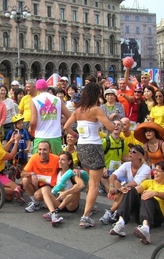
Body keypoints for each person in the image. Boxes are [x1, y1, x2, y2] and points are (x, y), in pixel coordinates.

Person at [64, 82, 115, 228]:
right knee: (94, 184)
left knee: (90, 181)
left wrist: (76, 135)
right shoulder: (96, 109)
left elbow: (66, 127)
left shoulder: (78, 110)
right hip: (94, 146)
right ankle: (85, 216)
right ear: (96, 94)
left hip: (82, 147)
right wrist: (114, 122)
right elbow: (110, 127)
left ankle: (89, 208)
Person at [109, 161, 164, 244]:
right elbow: (136, 190)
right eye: (155, 170)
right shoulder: (148, 182)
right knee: (131, 189)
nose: (155, 172)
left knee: (148, 196)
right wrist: (125, 189)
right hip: (140, 215)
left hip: (156, 218)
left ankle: (146, 229)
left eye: (158, 171)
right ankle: (120, 223)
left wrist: (155, 193)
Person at [99, 144, 151, 225]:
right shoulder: (126, 165)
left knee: (128, 189)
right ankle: (117, 211)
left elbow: (134, 184)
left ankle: (111, 210)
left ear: (140, 156)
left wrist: (118, 190)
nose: (130, 153)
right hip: (129, 193)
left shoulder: (146, 168)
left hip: (141, 198)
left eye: (134, 152)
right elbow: (113, 176)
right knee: (116, 182)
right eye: (129, 151)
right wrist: (111, 187)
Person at [41, 151, 89, 226]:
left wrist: (66, 193)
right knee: (44, 189)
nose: (60, 161)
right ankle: (53, 213)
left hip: (70, 204)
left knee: (76, 187)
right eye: (59, 159)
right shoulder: (58, 171)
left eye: (63, 160)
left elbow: (81, 185)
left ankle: (56, 211)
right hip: (58, 201)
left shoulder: (72, 173)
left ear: (69, 161)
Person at [29, 79, 70, 155]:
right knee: (57, 162)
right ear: (47, 88)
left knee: (39, 163)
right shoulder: (57, 99)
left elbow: (33, 121)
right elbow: (69, 116)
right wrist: (58, 122)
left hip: (40, 136)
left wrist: (31, 129)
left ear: (36, 88)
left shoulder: (34, 100)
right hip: (55, 136)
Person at [19, 141, 59, 213]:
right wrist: (32, 174)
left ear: (50, 150)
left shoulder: (56, 159)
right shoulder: (34, 157)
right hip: (37, 183)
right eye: (40, 149)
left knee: (37, 195)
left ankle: (47, 199)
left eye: (44, 149)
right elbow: (22, 173)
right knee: (25, 180)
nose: (41, 152)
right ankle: (35, 203)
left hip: (50, 185)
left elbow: (67, 166)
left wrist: (75, 169)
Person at [100, 120, 129, 192]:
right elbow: (97, 157)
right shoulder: (105, 141)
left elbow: (123, 157)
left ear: (122, 128)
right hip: (105, 172)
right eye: (114, 124)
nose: (116, 126)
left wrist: (135, 160)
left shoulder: (123, 142)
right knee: (113, 191)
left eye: (118, 124)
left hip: (117, 171)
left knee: (123, 187)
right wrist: (103, 168)